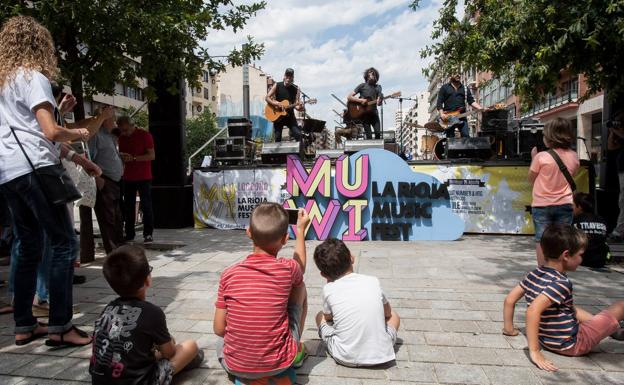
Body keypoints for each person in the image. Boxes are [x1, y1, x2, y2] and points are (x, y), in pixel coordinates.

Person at [0, 16, 92, 346]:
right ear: (39, 44)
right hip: (36, 167)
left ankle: (24, 324)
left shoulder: (4, 83)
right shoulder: (33, 78)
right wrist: (78, 131)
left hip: (8, 172)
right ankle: (61, 327)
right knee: (64, 243)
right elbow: (50, 132)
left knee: (28, 246)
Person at [502, 224, 624, 372]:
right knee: (621, 306)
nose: (581, 259)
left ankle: (612, 330)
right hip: (573, 344)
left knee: (570, 307)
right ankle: (610, 327)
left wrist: (509, 329)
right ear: (566, 255)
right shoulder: (561, 283)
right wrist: (534, 351)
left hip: (547, 340)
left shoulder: (534, 274)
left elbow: (509, 300)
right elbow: (533, 310)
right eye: (580, 255)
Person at [213, 203, 310, 380]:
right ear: (285, 239)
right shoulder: (288, 269)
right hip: (280, 364)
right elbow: (300, 268)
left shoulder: (228, 274)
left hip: (236, 366)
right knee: (300, 285)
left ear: (249, 232)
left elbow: (219, 329)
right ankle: (294, 352)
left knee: (221, 341)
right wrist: (301, 230)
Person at [90, 245, 203, 384]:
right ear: (147, 281)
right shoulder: (152, 312)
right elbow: (170, 353)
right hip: (140, 381)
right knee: (190, 346)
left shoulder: (108, 309)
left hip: (100, 379)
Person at [313, 238, 400, 367]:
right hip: (381, 355)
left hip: (344, 356)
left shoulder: (328, 289)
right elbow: (387, 313)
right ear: (352, 258)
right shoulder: (372, 281)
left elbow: (327, 317)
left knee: (320, 315)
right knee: (394, 316)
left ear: (323, 275)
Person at [529, 117, 579, 266]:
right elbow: (572, 175)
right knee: (563, 238)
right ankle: (560, 270)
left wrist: (534, 158)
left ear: (549, 137)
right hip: (565, 203)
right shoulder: (574, 156)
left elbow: (531, 178)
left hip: (542, 204)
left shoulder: (541, 157)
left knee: (542, 238)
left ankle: (543, 270)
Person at [89, 109, 124, 254]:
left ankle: (120, 250)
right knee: (108, 219)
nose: (115, 122)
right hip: (105, 181)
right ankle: (113, 252)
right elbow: (89, 157)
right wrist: (98, 179)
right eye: (112, 119)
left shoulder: (110, 136)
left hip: (116, 181)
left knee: (117, 218)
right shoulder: (96, 135)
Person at [117, 116, 155, 243]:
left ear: (133, 126)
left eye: (126, 130)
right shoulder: (121, 138)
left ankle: (148, 233)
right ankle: (129, 234)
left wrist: (133, 158)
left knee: (146, 205)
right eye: (122, 130)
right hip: (128, 176)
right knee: (128, 206)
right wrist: (122, 156)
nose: (124, 133)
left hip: (144, 176)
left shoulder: (145, 135)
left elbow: (151, 155)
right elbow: (119, 154)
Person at [436, 73, 482, 138]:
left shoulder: (465, 88)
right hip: (448, 117)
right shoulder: (444, 88)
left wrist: (481, 108)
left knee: (466, 137)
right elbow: (439, 102)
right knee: (450, 138)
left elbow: (471, 101)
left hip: (462, 116)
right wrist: (441, 114)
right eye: (455, 73)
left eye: (459, 74)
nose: (458, 75)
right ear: (450, 76)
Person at [572, 192, 610, 268]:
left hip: (582, 260)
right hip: (600, 260)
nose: (571, 208)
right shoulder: (602, 220)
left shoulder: (575, 221)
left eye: (572, 205)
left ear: (579, 207)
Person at [265, 68, 303, 142]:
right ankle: (278, 154)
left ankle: (297, 153)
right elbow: (267, 98)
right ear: (284, 76)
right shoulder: (277, 85)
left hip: (290, 116)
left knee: (298, 135)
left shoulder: (296, 89)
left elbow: (297, 106)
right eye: (287, 75)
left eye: (290, 76)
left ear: (293, 78)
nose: (288, 78)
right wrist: (276, 103)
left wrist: (300, 107)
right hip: (278, 116)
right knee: (277, 137)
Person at [347, 67, 383, 140]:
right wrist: (361, 100)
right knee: (369, 136)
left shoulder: (378, 87)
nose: (372, 75)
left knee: (378, 133)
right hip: (364, 114)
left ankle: (376, 151)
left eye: (374, 74)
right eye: (370, 74)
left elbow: (379, 102)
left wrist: (380, 100)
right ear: (367, 76)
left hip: (374, 113)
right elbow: (349, 97)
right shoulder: (362, 86)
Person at [606, 110, 624, 242]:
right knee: (622, 201)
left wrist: (615, 129)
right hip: (622, 170)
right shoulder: (619, 134)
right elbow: (611, 147)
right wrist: (612, 132)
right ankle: (619, 230)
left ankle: (619, 231)